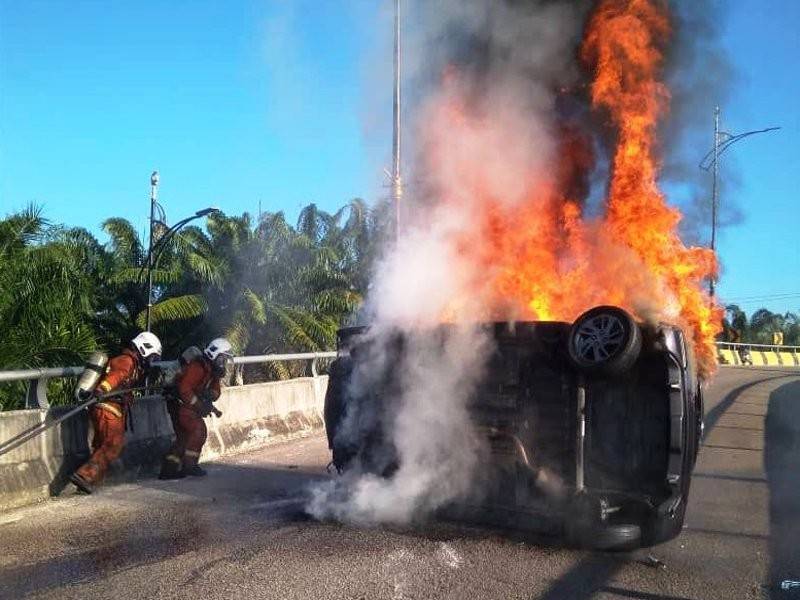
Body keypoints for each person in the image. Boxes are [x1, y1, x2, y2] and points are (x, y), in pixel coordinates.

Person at [70, 332, 162, 494]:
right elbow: (116, 376)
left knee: (101, 444)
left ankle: (91, 480)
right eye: (152, 357)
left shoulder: (134, 365)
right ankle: (85, 476)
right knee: (114, 443)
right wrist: (102, 389)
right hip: (107, 406)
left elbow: (124, 385)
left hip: (110, 406)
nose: (151, 362)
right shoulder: (127, 361)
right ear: (144, 349)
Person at [159, 338, 233, 479]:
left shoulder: (212, 370)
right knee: (198, 431)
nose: (224, 363)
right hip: (179, 403)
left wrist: (209, 395)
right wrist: (200, 405)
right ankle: (189, 466)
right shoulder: (198, 367)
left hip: (186, 404)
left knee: (184, 437)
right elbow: (184, 389)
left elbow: (216, 391)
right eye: (223, 359)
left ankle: (169, 470)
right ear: (215, 355)